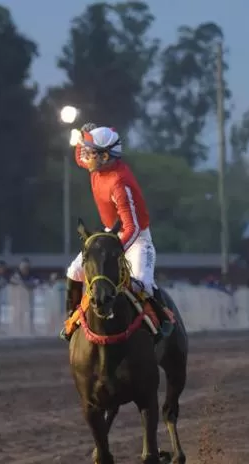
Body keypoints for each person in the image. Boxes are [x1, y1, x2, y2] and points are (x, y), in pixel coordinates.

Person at [60, 123, 172, 341]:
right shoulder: (97, 165)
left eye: (90, 152)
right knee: (74, 271)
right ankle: (72, 319)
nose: (86, 156)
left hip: (136, 239)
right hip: (109, 233)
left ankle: (164, 320)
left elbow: (133, 227)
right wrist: (84, 136)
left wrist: (115, 250)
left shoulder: (120, 183)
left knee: (143, 284)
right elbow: (77, 157)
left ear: (104, 156)